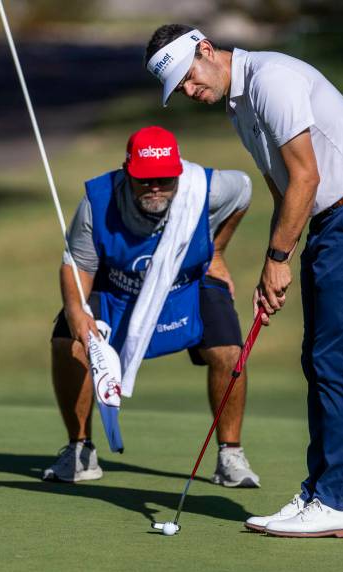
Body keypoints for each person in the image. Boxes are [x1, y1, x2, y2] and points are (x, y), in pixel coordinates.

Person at [145, 26, 343, 537]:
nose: (189, 92)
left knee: (334, 359)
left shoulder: (271, 79)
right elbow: (283, 187)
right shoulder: (238, 107)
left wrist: (277, 258)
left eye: (188, 79)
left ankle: (337, 502)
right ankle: (320, 493)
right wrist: (275, 268)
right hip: (333, 223)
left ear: (206, 50)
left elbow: (307, 178)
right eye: (178, 90)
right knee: (319, 357)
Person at [43, 125, 260, 489]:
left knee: (229, 351)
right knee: (67, 339)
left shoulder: (208, 187)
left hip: (186, 282)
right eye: (145, 180)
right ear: (128, 172)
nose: (156, 187)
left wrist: (217, 250)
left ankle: (230, 455)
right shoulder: (97, 202)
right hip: (117, 288)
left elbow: (245, 190)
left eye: (165, 179)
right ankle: (79, 451)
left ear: (178, 173)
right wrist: (77, 313)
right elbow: (78, 264)